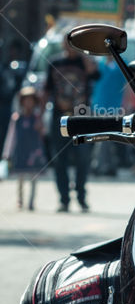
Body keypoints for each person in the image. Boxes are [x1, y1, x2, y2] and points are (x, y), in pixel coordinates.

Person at [44, 35, 97, 212]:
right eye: (67, 43)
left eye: (73, 43)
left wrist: (84, 55)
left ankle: (81, 197)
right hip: (59, 118)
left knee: (83, 159)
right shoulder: (55, 62)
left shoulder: (85, 62)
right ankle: (64, 199)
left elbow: (95, 74)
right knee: (60, 160)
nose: (69, 47)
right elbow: (47, 89)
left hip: (82, 117)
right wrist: (39, 116)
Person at [2, 85, 46, 209]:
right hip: (21, 151)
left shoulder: (37, 118)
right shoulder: (17, 118)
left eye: (31, 100)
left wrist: (40, 126)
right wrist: (7, 153)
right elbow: (11, 136)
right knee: (20, 177)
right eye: (26, 100)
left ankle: (32, 201)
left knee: (34, 178)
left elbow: (43, 135)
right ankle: (20, 200)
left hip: (33, 152)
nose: (28, 103)